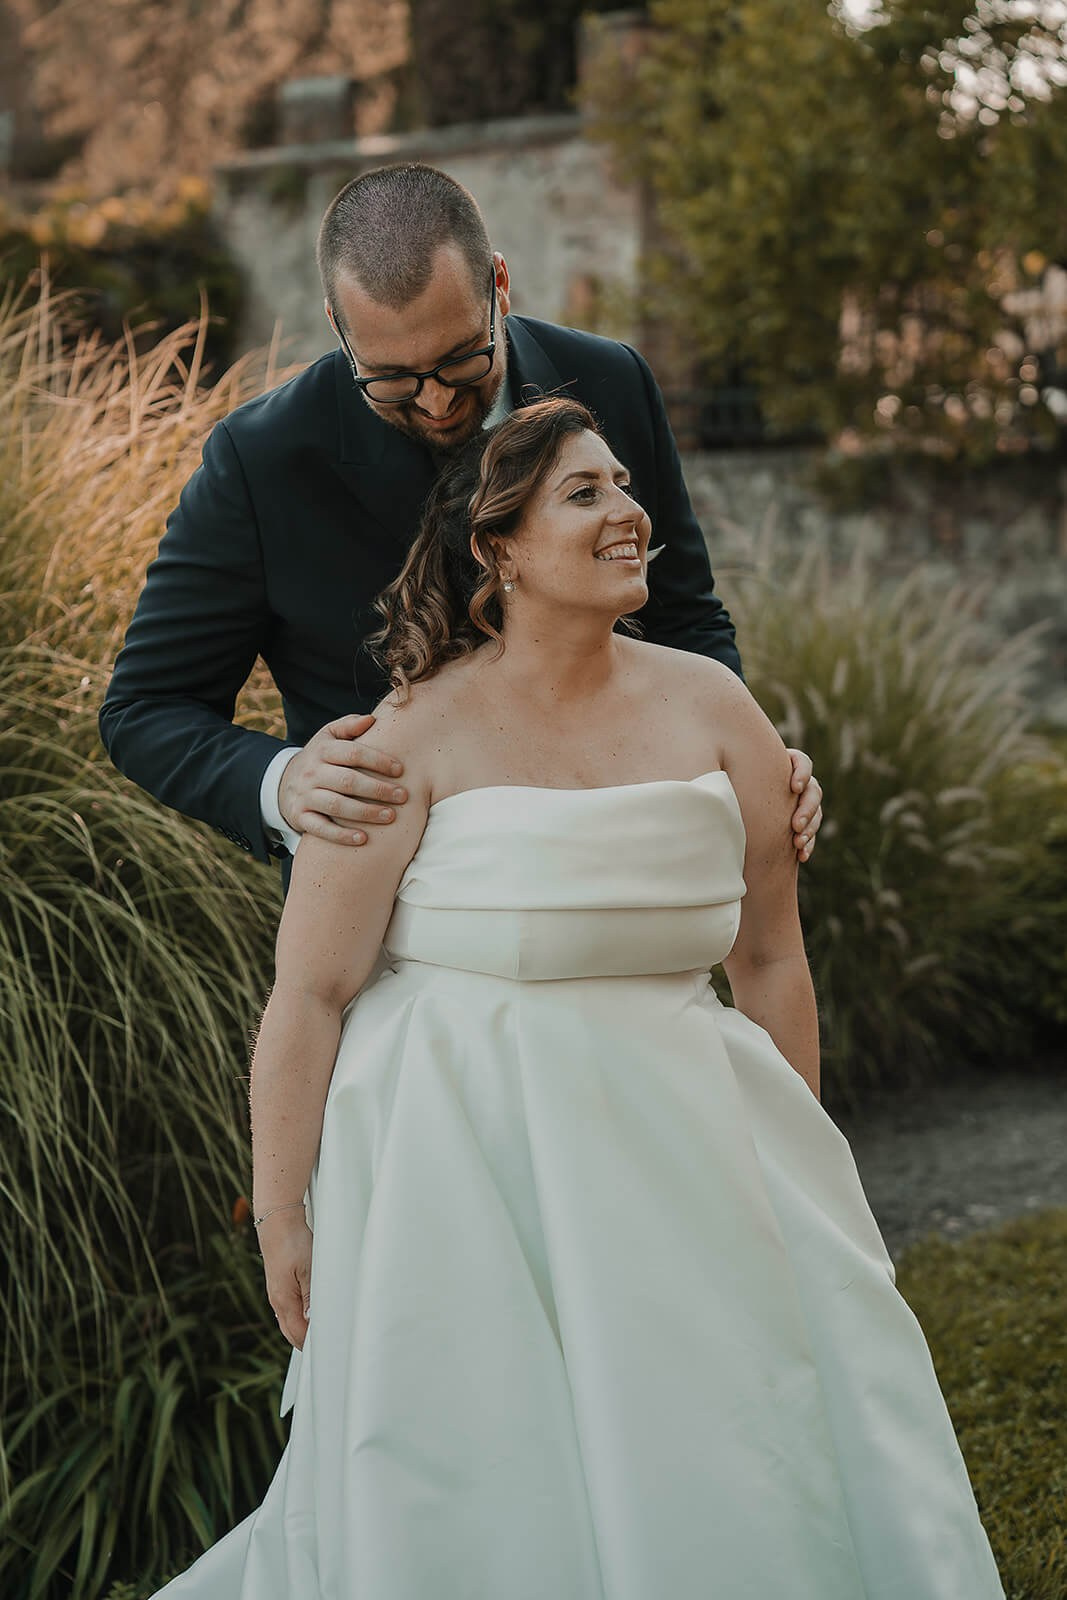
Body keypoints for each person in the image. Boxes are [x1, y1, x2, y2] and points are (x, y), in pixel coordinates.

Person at [152, 399, 1004, 1599]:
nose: (629, 512)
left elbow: (768, 961)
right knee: (485, 1459)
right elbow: (312, 991)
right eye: (584, 493)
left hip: (683, 1133)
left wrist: (799, 1166)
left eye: (623, 484)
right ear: (495, 552)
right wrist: (285, 1211)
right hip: (460, 1155)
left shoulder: (716, 706)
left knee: (730, 1426)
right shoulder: (402, 739)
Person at [98, 162, 824, 885]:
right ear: (337, 326)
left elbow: (684, 621)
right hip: (394, 910)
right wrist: (282, 782)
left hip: (628, 868)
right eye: (389, 379)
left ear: (499, 286)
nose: (437, 402)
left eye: (460, 360)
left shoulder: (614, 378)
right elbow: (146, 708)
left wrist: (743, 755)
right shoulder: (258, 460)